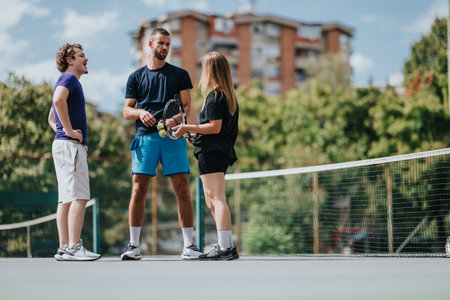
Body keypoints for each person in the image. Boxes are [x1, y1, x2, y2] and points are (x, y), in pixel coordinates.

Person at [121, 27, 202, 260]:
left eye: (168, 44)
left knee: (182, 189)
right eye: (161, 43)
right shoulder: (135, 77)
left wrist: (176, 121)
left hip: (173, 137)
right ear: (150, 45)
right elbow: (127, 110)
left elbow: (187, 107)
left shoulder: (180, 74)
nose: (165, 48)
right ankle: (133, 247)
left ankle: (189, 246)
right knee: (138, 190)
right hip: (144, 138)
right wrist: (139, 113)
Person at [173, 51, 239, 260]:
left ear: (211, 70)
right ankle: (225, 244)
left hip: (213, 153)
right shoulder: (224, 96)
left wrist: (186, 127)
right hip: (213, 151)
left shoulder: (215, 97)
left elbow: (215, 127)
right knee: (212, 200)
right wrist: (196, 135)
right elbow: (212, 129)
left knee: (217, 198)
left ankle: (225, 247)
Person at [48, 43, 100, 261]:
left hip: (62, 145)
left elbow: (52, 118)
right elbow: (57, 101)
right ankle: (74, 247)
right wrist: (69, 131)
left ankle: (64, 248)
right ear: (70, 60)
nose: (85, 58)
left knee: (66, 199)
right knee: (79, 196)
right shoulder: (69, 79)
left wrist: (61, 130)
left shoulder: (69, 81)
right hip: (70, 146)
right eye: (81, 56)